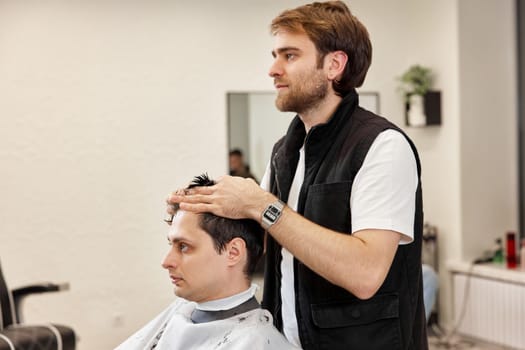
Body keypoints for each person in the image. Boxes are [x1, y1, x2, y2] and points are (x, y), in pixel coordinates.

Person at [168, 2, 428, 349]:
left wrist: (262, 206)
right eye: (275, 55)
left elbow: (365, 274)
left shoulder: (382, 146)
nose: (273, 70)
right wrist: (197, 209)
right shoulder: (284, 152)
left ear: (334, 65)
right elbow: (253, 240)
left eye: (289, 56)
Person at [117, 175, 297, 349]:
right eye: (171, 244)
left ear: (233, 252)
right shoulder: (182, 310)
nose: (166, 262)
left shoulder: (256, 342)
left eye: (184, 246)